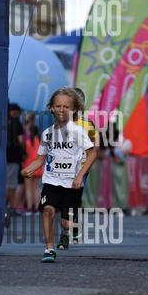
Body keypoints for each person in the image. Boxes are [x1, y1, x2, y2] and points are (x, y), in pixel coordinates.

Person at [22, 87, 96, 263]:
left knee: (66, 223)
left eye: (66, 107)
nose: (62, 109)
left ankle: (70, 225)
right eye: (58, 106)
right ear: (52, 108)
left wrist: (80, 176)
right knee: (47, 210)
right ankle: (49, 249)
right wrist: (28, 169)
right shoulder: (47, 133)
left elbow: (92, 153)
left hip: (72, 182)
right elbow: (41, 159)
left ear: (74, 109)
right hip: (51, 180)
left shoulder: (78, 132)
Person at [55, 87, 97, 249]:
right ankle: (71, 227)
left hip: (80, 168)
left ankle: (65, 234)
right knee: (64, 199)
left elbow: (94, 147)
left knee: (72, 198)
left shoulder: (88, 125)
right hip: (62, 166)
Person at [5, 103, 25, 219]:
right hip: (13, 158)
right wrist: (24, 152)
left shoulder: (2, 121)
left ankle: (6, 207)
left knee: (7, 183)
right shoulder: (16, 123)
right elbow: (21, 139)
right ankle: (10, 208)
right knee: (11, 184)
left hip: (4, 157)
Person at [22, 125, 42, 214]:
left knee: (28, 189)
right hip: (38, 167)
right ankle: (37, 208)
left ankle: (29, 208)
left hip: (28, 167)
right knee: (36, 188)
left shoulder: (26, 141)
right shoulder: (40, 141)